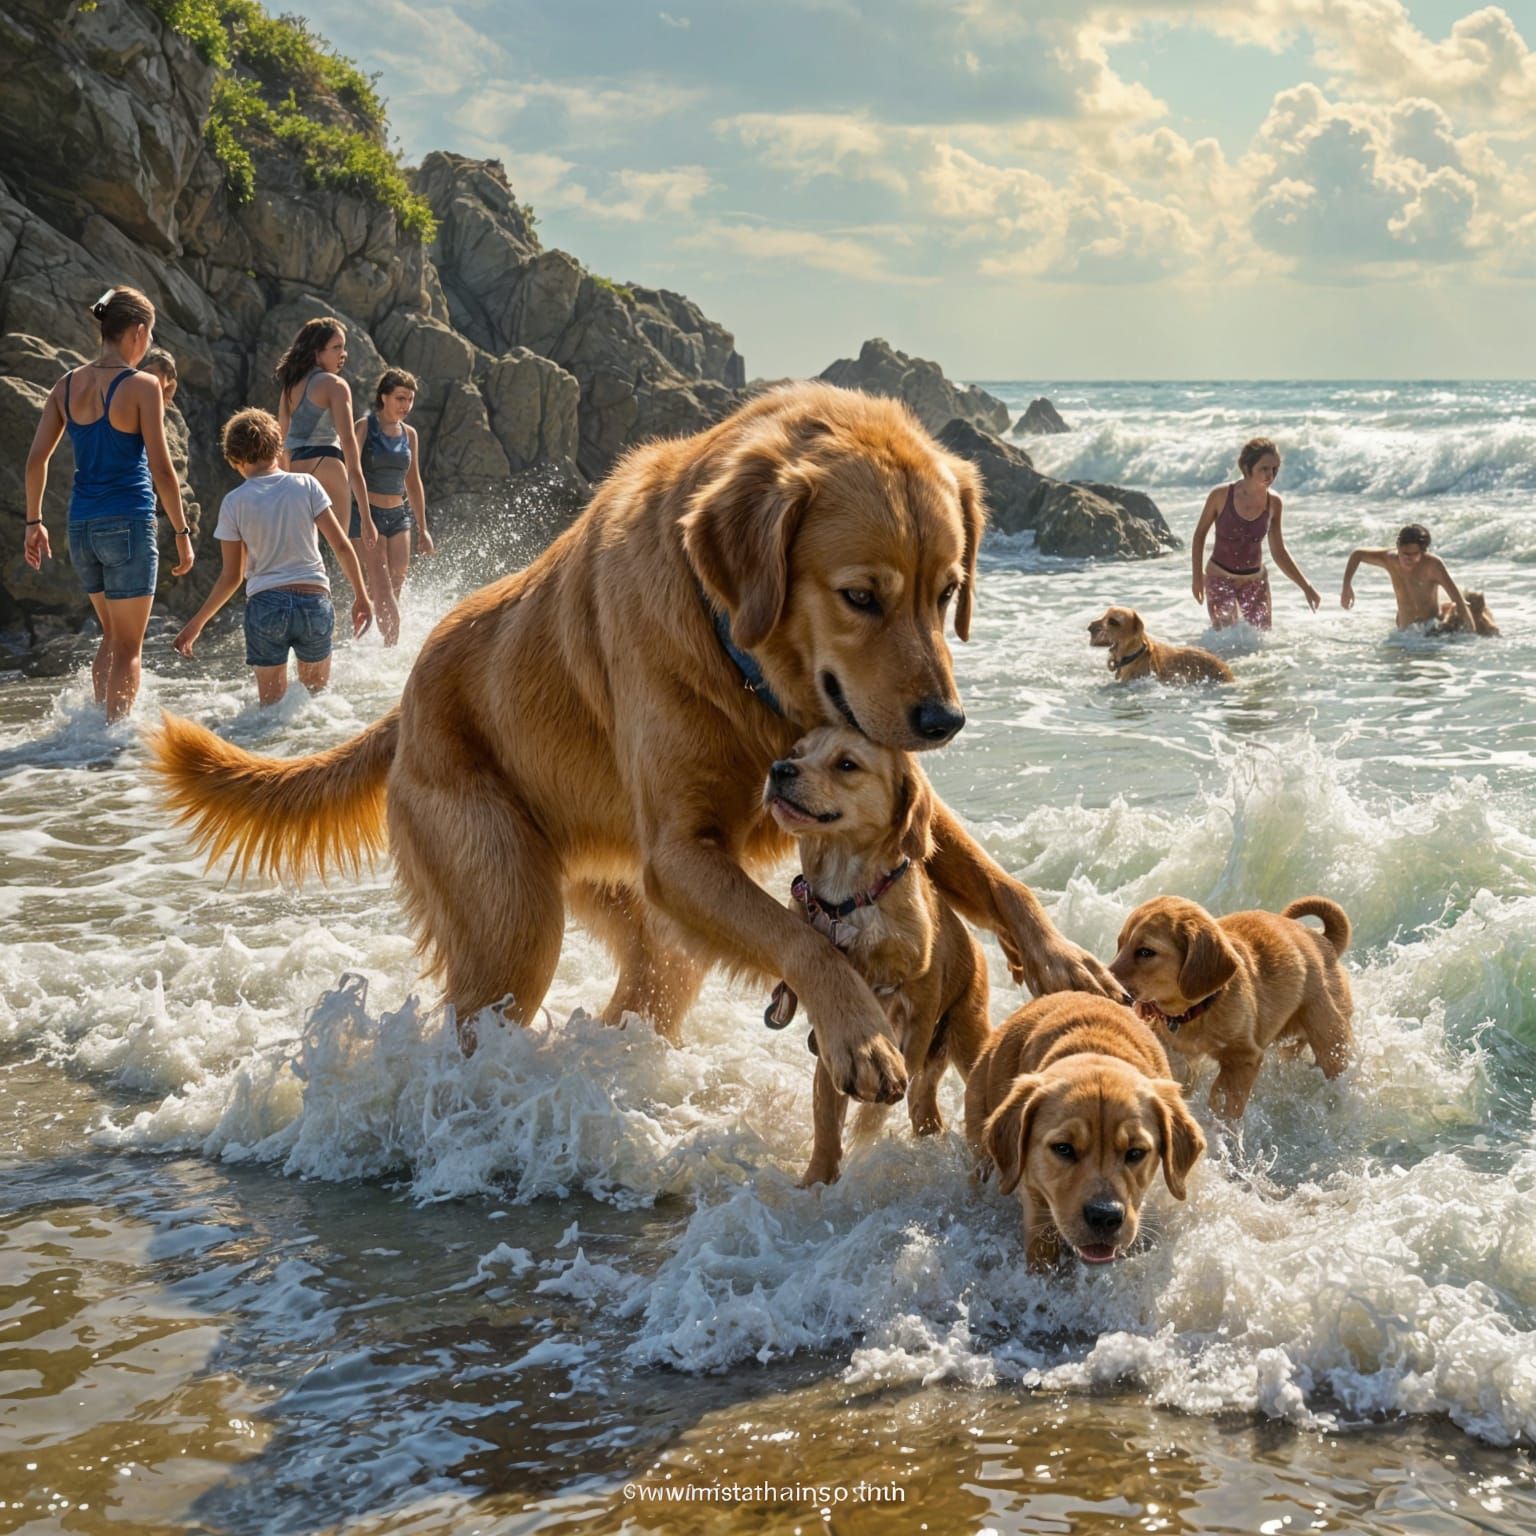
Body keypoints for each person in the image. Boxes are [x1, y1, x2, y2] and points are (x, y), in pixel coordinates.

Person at [21, 285, 194, 720]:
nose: (149, 345)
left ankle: (92, 731)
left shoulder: (65, 385)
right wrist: (182, 531)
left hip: (81, 529)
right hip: (129, 524)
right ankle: (112, 744)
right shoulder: (142, 386)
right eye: (150, 335)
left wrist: (34, 522)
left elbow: (35, 460)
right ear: (137, 332)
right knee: (128, 648)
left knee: (113, 636)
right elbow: (161, 467)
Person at [173, 408, 373, 705]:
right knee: (316, 703)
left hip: (266, 605)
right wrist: (361, 595)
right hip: (313, 599)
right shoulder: (306, 485)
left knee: (270, 709)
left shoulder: (234, 503)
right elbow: (342, 546)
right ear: (278, 447)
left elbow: (232, 576)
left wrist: (196, 624)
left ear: (234, 459)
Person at [273, 316, 395, 640]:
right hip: (328, 466)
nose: (344, 354)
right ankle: (343, 626)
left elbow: (280, 444)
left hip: (293, 472)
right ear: (317, 352)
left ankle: (297, 629)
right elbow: (351, 451)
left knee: (302, 559)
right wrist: (367, 517)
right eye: (337, 347)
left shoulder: (289, 386)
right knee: (342, 553)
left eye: (345, 347)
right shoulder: (335, 386)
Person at [1189, 438, 1319, 631]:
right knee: (1223, 641)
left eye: (1275, 469)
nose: (1271, 474)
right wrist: (1197, 578)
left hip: (1255, 582)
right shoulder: (1221, 495)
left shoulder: (1274, 503)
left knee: (1259, 643)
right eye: (1264, 468)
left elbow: (1279, 551)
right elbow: (1199, 536)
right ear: (1248, 467)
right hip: (1219, 578)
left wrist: (1306, 585)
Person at [350, 368, 433, 645]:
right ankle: (393, 652)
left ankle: (372, 646)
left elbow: (414, 481)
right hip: (367, 514)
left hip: (399, 517)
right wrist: (364, 518)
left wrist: (423, 529)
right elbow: (352, 472)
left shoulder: (410, 434)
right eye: (400, 398)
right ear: (384, 397)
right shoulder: (365, 426)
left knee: (393, 588)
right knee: (382, 587)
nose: (405, 406)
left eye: (409, 400)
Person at [1340, 523, 1474, 632]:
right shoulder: (1389, 559)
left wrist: (1471, 635)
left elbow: (1459, 601)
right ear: (1398, 548)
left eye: (1414, 554)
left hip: (1430, 630)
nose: (1409, 558)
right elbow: (1357, 554)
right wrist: (1347, 586)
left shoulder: (1433, 565)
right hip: (1404, 633)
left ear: (1423, 551)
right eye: (1404, 554)